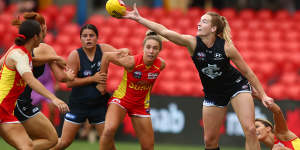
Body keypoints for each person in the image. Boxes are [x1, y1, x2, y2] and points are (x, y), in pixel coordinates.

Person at [123, 4, 274, 150]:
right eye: (200, 20)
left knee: (250, 129)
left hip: (236, 85)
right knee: (209, 142)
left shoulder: (227, 47)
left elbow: (248, 72)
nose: (199, 23)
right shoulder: (192, 43)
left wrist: (264, 95)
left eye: (204, 21)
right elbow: (165, 31)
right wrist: (139, 19)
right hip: (213, 92)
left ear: (213, 28)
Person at [0, 12, 74, 150]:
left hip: (7, 110)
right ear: (35, 37)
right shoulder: (19, 55)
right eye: (41, 32)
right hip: (4, 107)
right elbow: (31, 80)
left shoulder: (20, 52)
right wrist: (54, 98)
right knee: (42, 142)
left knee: (30, 145)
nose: (44, 34)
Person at [52, 24, 128, 150]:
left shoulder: (103, 49)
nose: (88, 39)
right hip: (78, 104)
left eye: (91, 36)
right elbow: (69, 83)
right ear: (80, 39)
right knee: (64, 142)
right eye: (85, 36)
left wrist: (125, 51)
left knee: (107, 142)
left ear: (97, 38)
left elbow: (123, 57)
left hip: (99, 105)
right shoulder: (75, 55)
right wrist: (93, 79)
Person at [99, 31, 166, 150]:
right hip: (122, 100)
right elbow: (107, 56)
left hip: (140, 105)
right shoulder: (131, 62)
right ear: (143, 48)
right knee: (109, 130)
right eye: (148, 47)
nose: (151, 51)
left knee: (148, 147)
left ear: (159, 50)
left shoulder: (161, 65)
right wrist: (102, 84)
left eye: (155, 48)